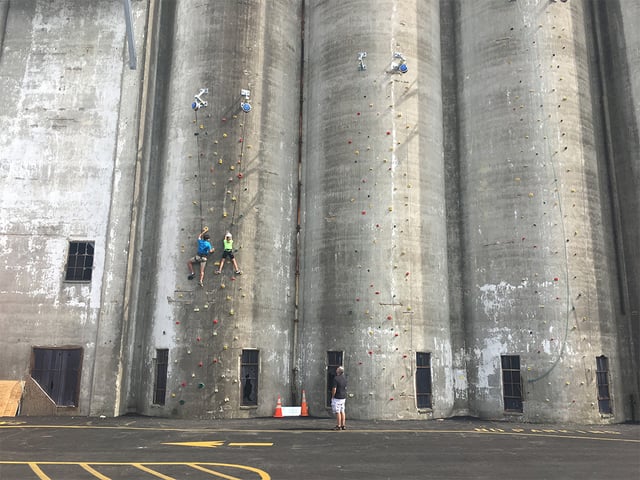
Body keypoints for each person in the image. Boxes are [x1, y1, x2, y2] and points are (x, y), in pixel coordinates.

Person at [331, 366, 347, 430]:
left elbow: (334, 389)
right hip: (343, 397)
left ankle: (338, 425)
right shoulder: (344, 378)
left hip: (337, 397)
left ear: (338, 371)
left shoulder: (336, 378)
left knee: (338, 412)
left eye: (337, 369)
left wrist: (332, 396)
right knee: (342, 411)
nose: (336, 370)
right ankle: (343, 425)